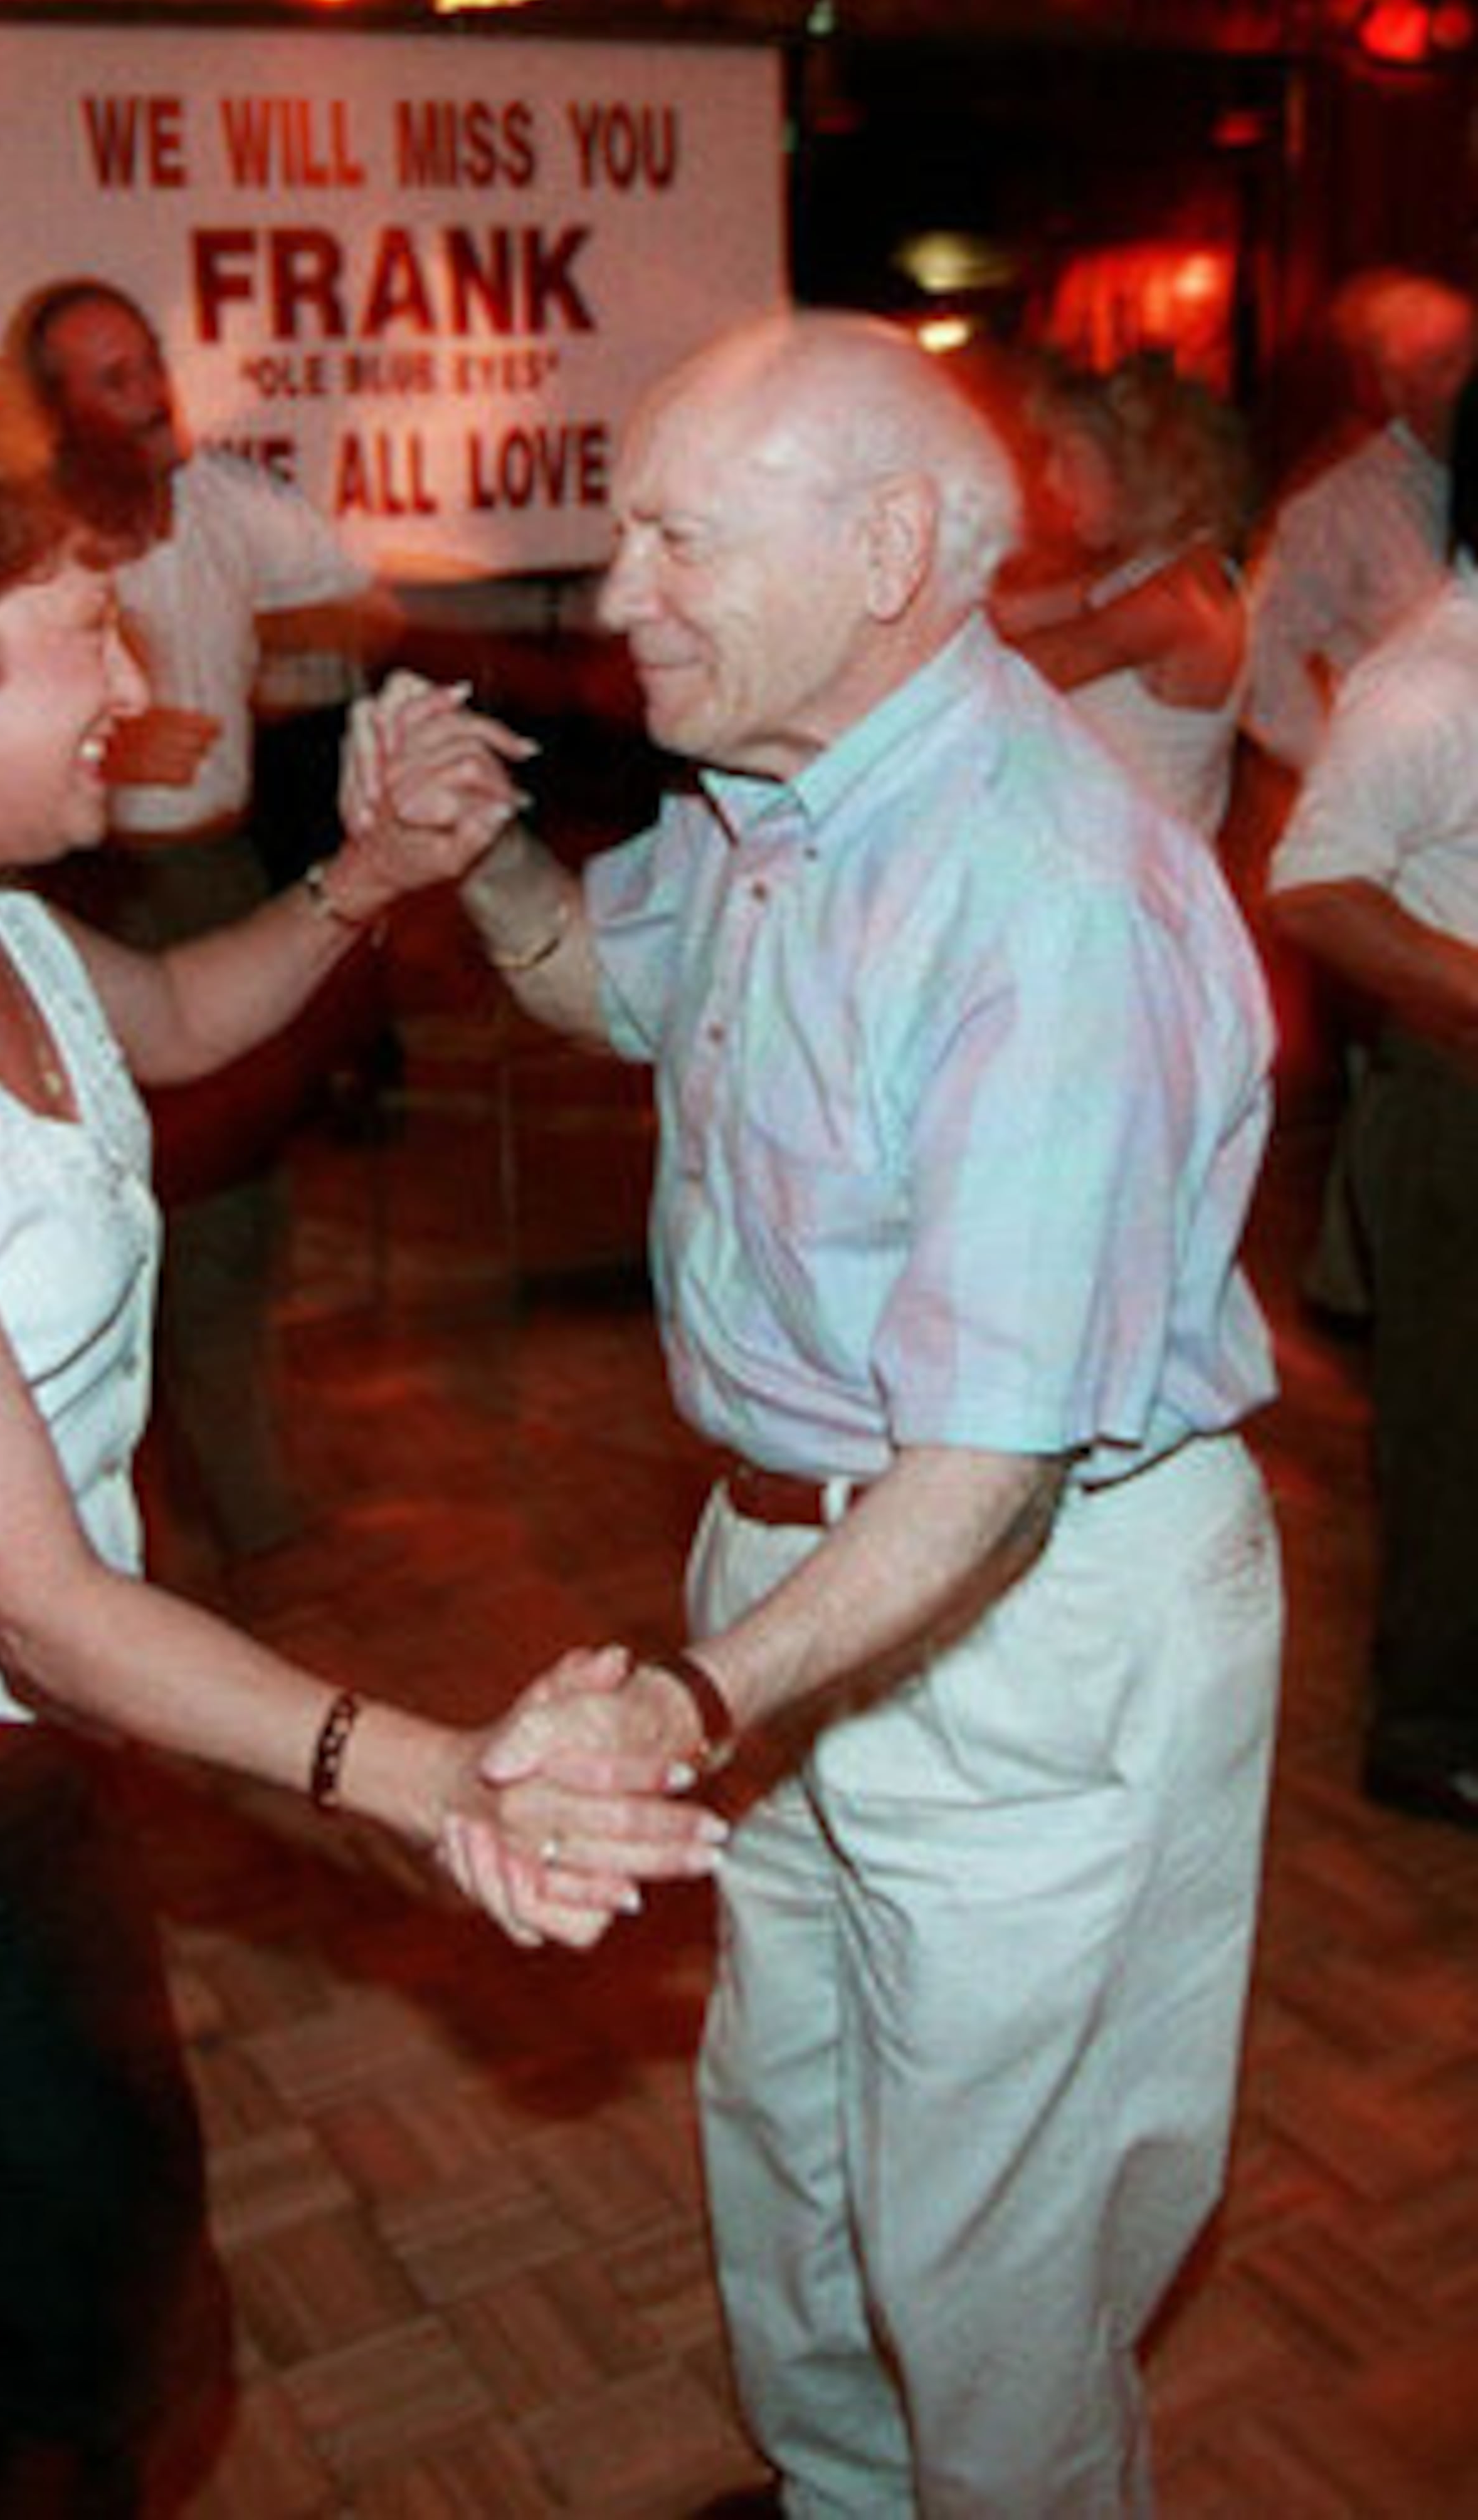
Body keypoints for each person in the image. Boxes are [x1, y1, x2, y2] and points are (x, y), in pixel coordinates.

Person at [0, 383, 722, 2517]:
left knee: (116, 2296)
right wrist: (430, 1774)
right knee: (98, 2361)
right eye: (81, 640)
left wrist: (373, 872)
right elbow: (38, 1599)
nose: (135, 693)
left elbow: (194, 1021)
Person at [351, 311, 1285, 2516]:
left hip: (1022, 1594)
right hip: (805, 1559)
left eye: (677, 538)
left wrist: (689, 1699)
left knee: (994, 2241)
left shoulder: (1037, 890)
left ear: (884, 551)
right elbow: (613, 987)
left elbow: (989, 1466)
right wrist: (486, 864)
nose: (618, 600)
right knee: (799, 2133)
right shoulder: (778, 796)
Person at [11, 278, 396, 1563]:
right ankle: (195, 1519)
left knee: (236, 1204)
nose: (147, 397)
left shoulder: (226, 502)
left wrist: (286, 673)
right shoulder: (24, 544)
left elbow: (362, 601)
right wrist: (111, 756)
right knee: (122, 1217)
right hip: (92, 900)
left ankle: (223, 1504)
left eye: (149, 367)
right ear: (58, 410)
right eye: (110, 381)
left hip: (219, 879)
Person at [1267, 370, 1478, 1833]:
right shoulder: (1430, 679)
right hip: (1453, 1096)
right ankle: (1425, 1731)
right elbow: (1316, 886)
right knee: (1452, 1431)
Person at [991, 353, 1252, 836]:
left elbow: (1006, 675)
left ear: (1140, 466)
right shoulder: (1140, 575)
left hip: (1140, 901)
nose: (1050, 479)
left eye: (1069, 456)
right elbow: (1004, 615)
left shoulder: (1180, 600)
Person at [1242, 268, 1475, 772]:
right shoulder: (1340, 509)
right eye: (1447, 366)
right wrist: (1350, 775)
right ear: (1394, 387)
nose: (1470, 382)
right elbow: (1262, 659)